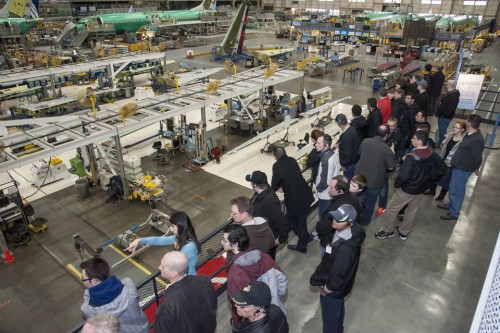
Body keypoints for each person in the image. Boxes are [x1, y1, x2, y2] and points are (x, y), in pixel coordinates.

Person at [375, 130, 447, 240]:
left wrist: (397, 185)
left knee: (391, 209)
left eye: (413, 138)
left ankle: (388, 230)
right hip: (420, 189)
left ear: (419, 141)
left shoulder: (412, 157)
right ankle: (404, 232)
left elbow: (403, 176)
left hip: (406, 189)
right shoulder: (432, 154)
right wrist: (429, 180)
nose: (411, 140)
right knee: (412, 211)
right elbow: (443, 168)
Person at [311, 204, 365, 333]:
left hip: (333, 290)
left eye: (339, 220)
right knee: (338, 311)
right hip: (341, 289)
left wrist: (327, 289)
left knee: (329, 320)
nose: (334, 221)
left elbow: (338, 274)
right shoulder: (351, 232)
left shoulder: (345, 249)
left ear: (349, 222)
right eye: (335, 217)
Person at [223, 225, 288, 328]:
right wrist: (275, 298)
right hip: (271, 313)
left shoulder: (235, 273)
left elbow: (237, 304)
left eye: (224, 240)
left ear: (235, 244)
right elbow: (282, 280)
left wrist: (237, 323)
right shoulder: (265, 257)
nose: (222, 242)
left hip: (248, 323)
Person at [80, 258, 148, 333]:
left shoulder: (87, 310)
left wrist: (88, 291)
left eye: (83, 279)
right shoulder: (129, 285)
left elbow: (88, 300)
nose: (83, 282)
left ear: (95, 281)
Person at [154, 251, 217, 333]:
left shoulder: (166, 306)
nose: (159, 267)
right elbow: (213, 305)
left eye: (163, 266)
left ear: (173, 273)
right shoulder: (204, 280)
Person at [438, 114, 485, 220]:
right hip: (458, 166)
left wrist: (476, 168)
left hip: (463, 169)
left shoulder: (476, 139)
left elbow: (478, 157)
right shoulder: (470, 134)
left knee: (457, 190)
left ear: (469, 123)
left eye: (467, 121)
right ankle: (451, 205)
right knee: (453, 187)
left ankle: (454, 212)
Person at [125, 211, 201, 275]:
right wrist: (139, 240)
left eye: (172, 226)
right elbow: (159, 240)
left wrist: (176, 249)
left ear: (181, 226)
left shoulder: (190, 246)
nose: (171, 230)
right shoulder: (179, 237)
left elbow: (175, 265)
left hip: (187, 280)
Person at [272, 147, 314, 254]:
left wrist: (281, 186)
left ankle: (302, 244)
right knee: (301, 221)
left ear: (276, 156)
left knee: (290, 221)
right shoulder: (292, 160)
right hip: (306, 195)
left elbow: (274, 184)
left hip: (295, 201)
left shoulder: (277, 166)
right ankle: (306, 237)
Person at [355, 125, 396, 226]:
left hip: (359, 179)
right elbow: (391, 167)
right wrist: (393, 152)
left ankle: (354, 220)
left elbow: (359, 153)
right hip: (375, 181)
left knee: (356, 201)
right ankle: (364, 222)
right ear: (387, 135)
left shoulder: (365, 141)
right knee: (370, 203)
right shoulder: (387, 149)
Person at [247, 170, 288, 258]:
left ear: (254, 185)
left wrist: (281, 238)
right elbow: (252, 201)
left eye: (251, 183)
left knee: (267, 259)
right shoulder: (260, 192)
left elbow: (281, 220)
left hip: (268, 237)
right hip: (261, 233)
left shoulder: (270, 201)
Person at [316, 176, 362, 250]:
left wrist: (318, 224)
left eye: (331, 187)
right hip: (350, 235)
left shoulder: (333, 210)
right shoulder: (354, 197)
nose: (328, 190)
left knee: (327, 258)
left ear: (340, 191)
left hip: (332, 241)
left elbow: (322, 228)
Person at [425, 120, 466, 199]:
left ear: (462, 130)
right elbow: (443, 146)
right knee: (435, 173)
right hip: (442, 158)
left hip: (451, 162)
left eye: (457, 128)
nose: (454, 129)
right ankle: (432, 190)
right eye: (454, 127)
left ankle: (442, 194)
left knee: (447, 178)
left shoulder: (462, 141)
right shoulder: (450, 135)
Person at [375, 116, 404, 216]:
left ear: (396, 126)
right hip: (377, 162)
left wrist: (393, 155)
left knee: (383, 186)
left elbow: (400, 150)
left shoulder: (398, 137)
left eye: (392, 126)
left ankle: (382, 206)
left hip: (386, 166)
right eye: (388, 125)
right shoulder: (382, 132)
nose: (390, 127)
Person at [315, 134, 341, 222]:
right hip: (328, 193)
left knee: (324, 216)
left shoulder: (326, 160)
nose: (316, 145)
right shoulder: (332, 154)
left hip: (325, 195)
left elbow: (325, 181)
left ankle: (323, 234)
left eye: (318, 143)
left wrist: (317, 189)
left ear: (326, 145)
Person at [336, 113, 360, 180]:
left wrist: (343, 164)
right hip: (355, 161)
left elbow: (347, 153)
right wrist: (339, 143)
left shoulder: (346, 136)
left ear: (338, 124)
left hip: (349, 165)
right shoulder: (352, 129)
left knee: (348, 183)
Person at [436, 80, 460, 146]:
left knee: (442, 131)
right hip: (444, 116)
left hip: (445, 117)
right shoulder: (452, 94)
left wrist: (444, 115)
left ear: (448, 85)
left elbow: (450, 108)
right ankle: (440, 142)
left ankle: (441, 143)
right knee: (442, 130)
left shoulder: (453, 95)